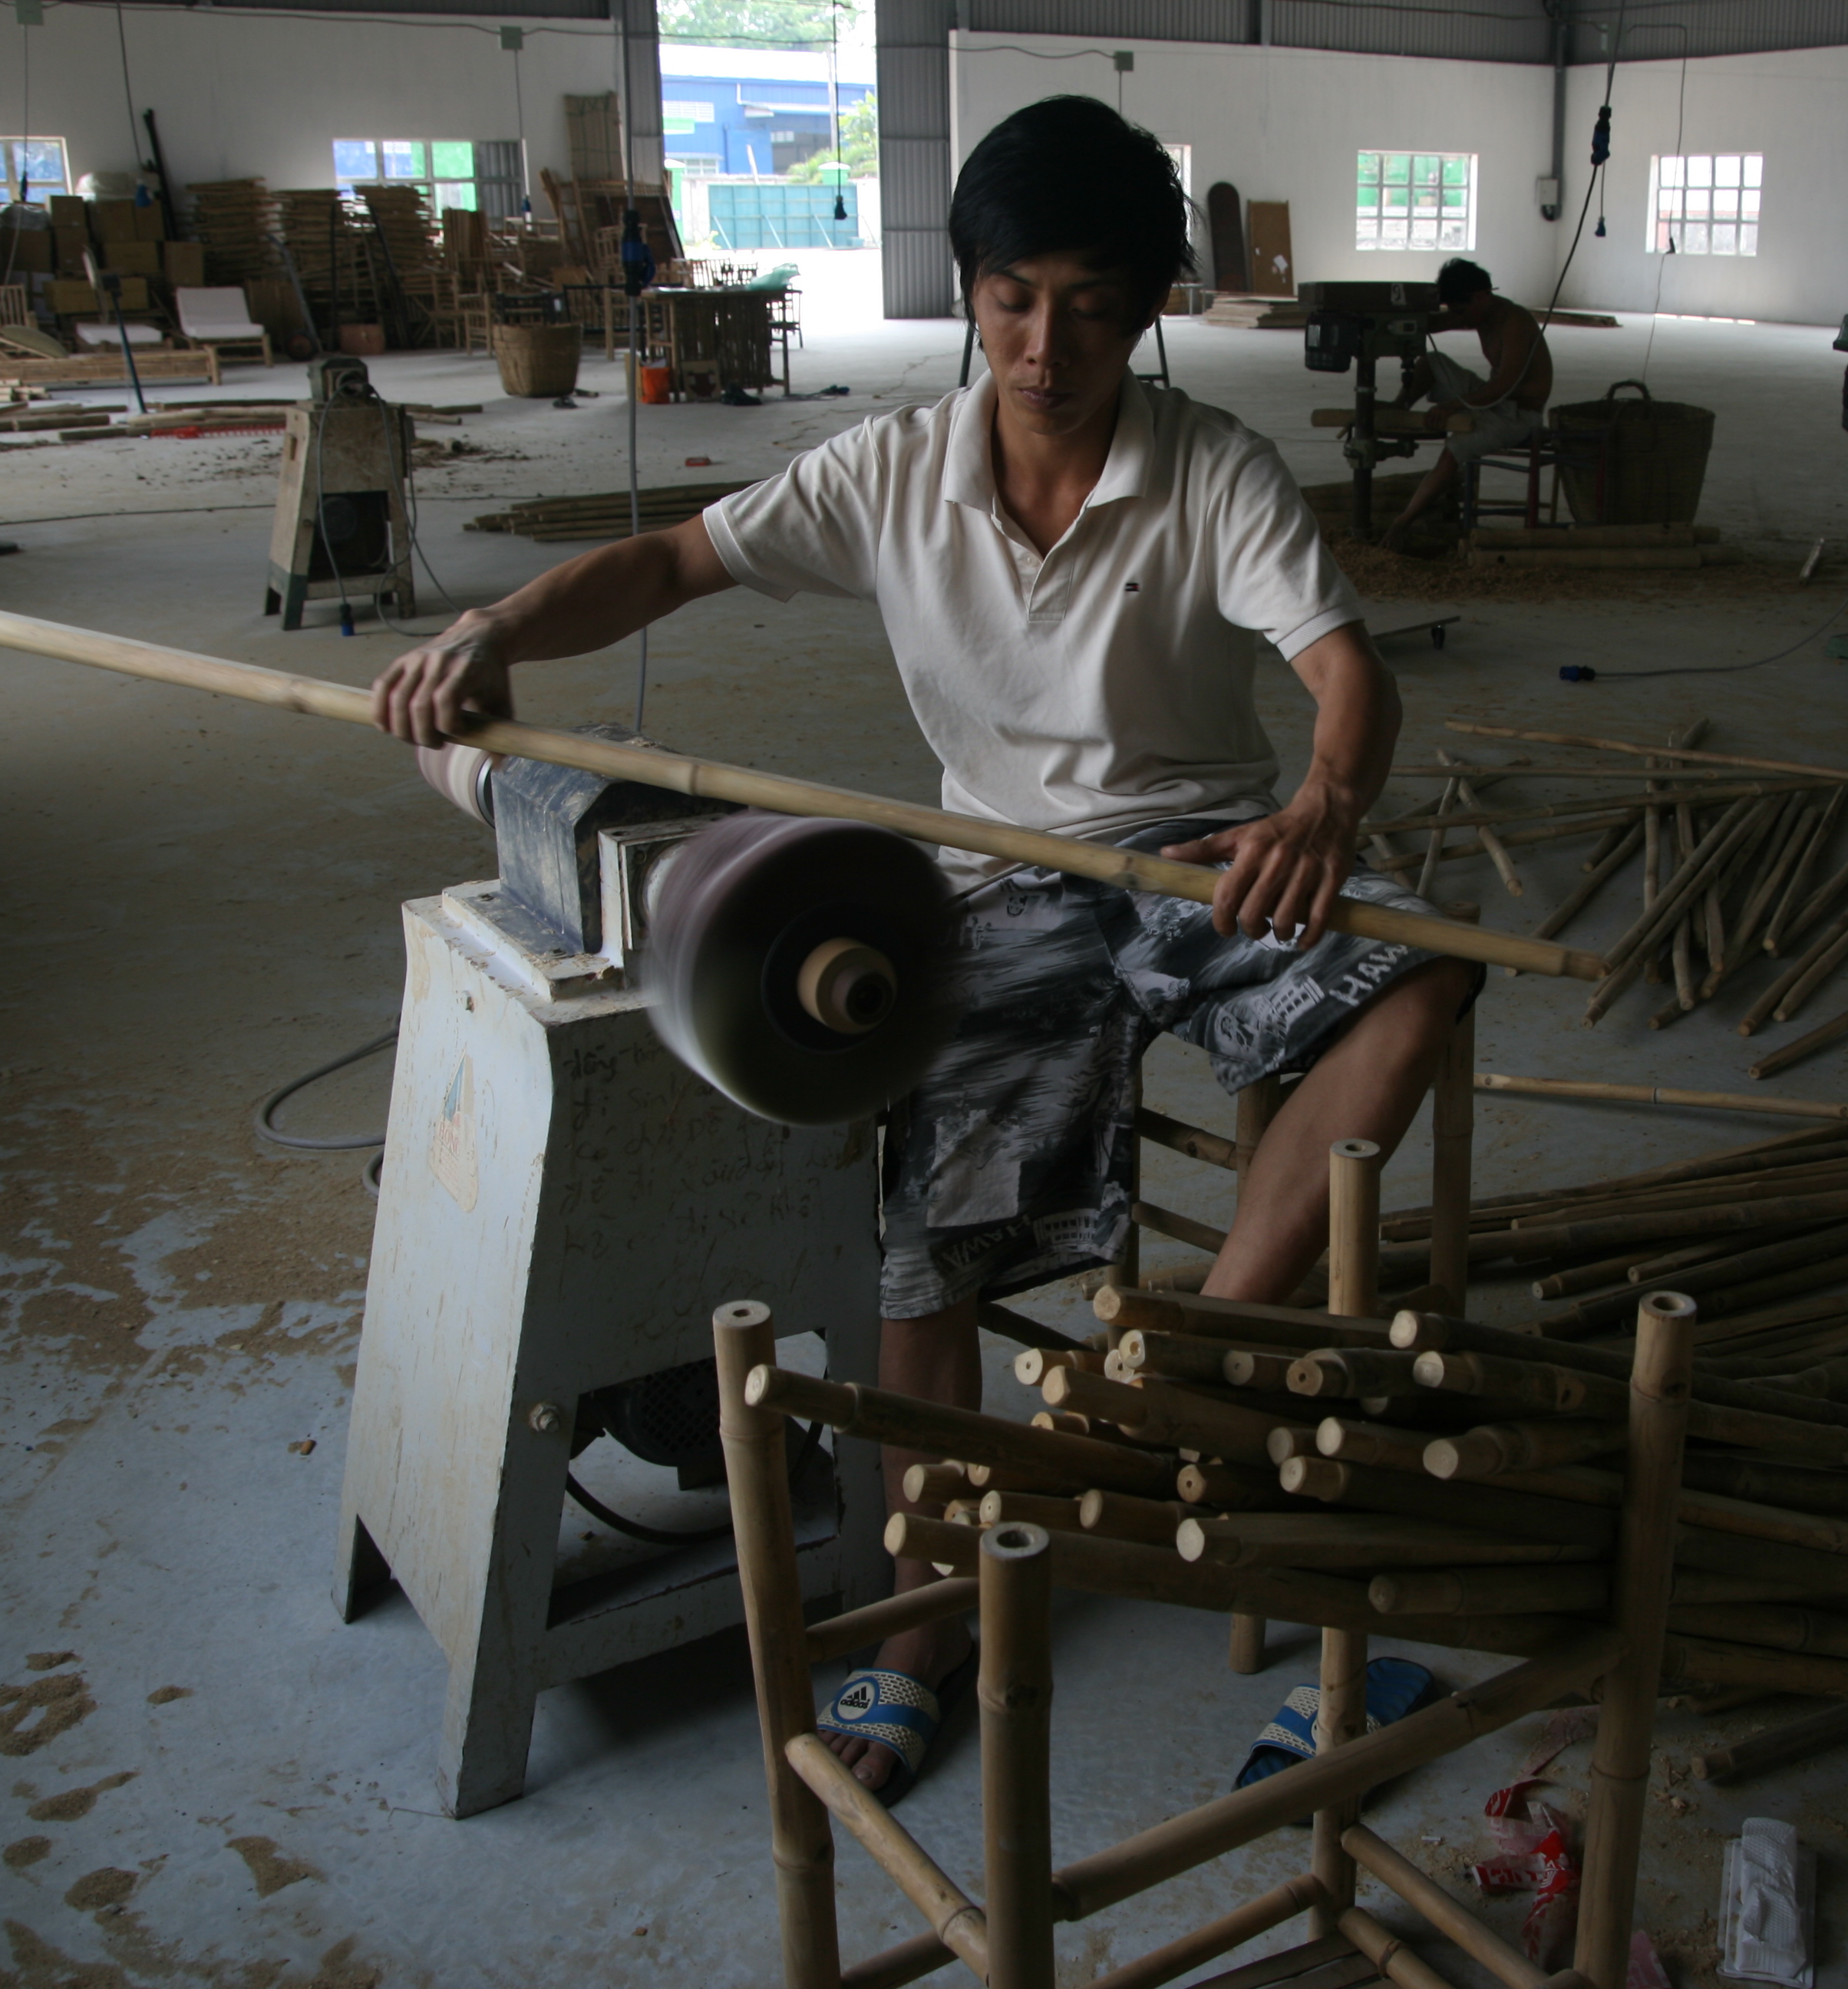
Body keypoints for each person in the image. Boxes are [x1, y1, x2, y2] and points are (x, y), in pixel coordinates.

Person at [366, 94, 1480, 1802]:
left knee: (1418, 997)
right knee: (922, 1234)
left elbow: (1346, 668)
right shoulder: (894, 467)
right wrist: (497, 627)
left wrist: (1328, 801)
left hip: (1197, 855)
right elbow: (672, 559)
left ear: (1150, 308)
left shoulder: (1211, 469)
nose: (1048, 345)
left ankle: (1172, 1370)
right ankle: (919, 1628)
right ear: (967, 290)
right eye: (1013, 297)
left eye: (1094, 305)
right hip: (1001, 881)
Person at [1376, 256, 1553, 544]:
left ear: (1482, 296)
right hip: (1494, 397)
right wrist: (1394, 317)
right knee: (1431, 361)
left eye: (1461, 309)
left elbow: (1506, 385)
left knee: (1453, 451)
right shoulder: (1478, 312)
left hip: (1518, 414)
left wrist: (1453, 405)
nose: (1460, 316)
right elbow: (1431, 324)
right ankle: (1400, 405)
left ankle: (1403, 521)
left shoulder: (1515, 321)